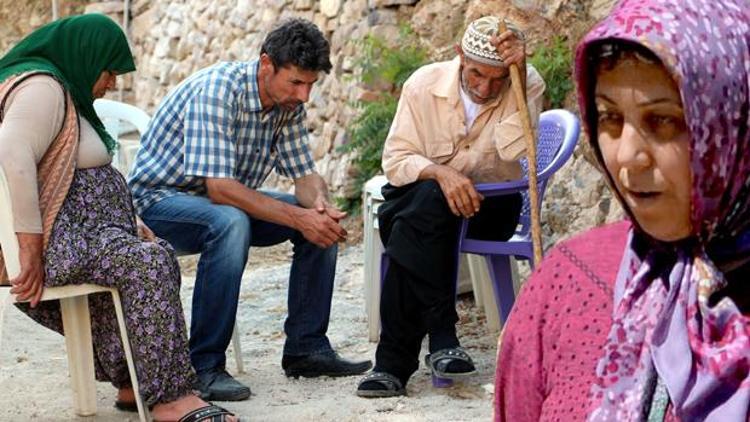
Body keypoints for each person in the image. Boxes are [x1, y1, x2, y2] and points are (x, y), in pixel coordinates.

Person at [495, 0, 750, 420]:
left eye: (665, 121)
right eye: (610, 118)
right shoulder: (567, 280)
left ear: (732, 124)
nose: (628, 155)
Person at [0, 14, 237, 422]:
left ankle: (133, 381)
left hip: (81, 231)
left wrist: (128, 220)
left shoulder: (63, 89)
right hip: (59, 237)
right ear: (85, 57)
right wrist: (30, 247)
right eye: (108, 70)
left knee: (147, 253)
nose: (110, 82)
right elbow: (12, 153)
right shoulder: (42, 87)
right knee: (149, 264)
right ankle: (170, 399)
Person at [128, 18, 371, 401]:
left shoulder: (286, 103)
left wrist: (320, 208)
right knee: (231, 221)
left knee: (315, 224)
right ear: (265, 65)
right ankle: (204, 366)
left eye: (311, 85)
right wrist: (299, 217)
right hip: (156, 205)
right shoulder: (218, 91)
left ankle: (306, 348)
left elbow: (304, 175)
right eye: (296, 82)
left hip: (218, 203)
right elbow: (221, 189)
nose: (305, 95)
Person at [356, 16, 545, 398]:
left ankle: (395, 363)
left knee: (415, 223)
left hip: (490, 209)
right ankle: (440, 338)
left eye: (496, 79)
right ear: (460, 56)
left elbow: (517, 150)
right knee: (427, 203)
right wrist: (442, 175)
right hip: (421, 205)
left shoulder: (524, 81)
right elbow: (395, 160)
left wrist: (518, 80)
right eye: (476, 75)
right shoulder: (423, 84)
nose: (485, 87)